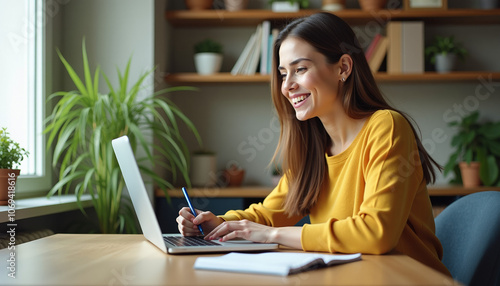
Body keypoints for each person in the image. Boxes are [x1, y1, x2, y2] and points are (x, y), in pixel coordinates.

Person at [177, 12, 450, 276]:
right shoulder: (314, 148)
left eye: (301, 69)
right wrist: (217, 223)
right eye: (284, 73)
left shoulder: (386, 127)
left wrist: (272, 235)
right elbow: (270, 213)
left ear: (343, 67)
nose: (287, 86)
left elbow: (376, 233)